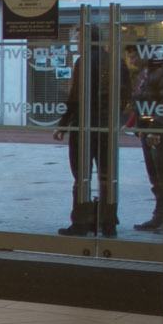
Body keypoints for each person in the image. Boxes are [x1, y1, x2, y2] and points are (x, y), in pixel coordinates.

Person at [55, 25, 120, 237]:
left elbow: (76, 97)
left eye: (78, 37)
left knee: (82, 176)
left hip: (85, 126)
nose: (76, 41)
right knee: (107, 176)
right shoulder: (115, 60)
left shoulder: (83, 62)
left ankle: (81, 222)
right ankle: (108, 223)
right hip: (106, 126)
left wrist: (64, 124)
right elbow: (125, 93)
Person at [126, 45, 163, 233]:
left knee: (161, 175)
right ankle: (160, 216)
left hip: (156, 130)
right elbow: (141, 99)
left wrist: (156, 128)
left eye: (134, 57)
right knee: (154, 175)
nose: (132, 61)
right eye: (130, 57)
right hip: (146, 129)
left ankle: (162, 217)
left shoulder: (161, 71)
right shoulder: (144, 73)